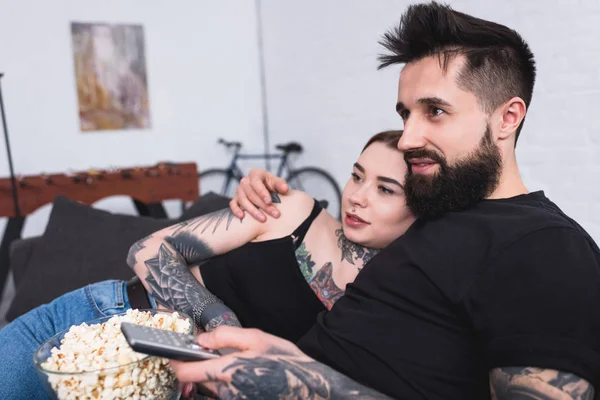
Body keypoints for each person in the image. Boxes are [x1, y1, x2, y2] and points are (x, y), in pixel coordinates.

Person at [168, 2, 600, 400]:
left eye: (435, 111)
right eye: (405, 114)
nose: (409, 139)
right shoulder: (435, 215)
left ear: (508, 118)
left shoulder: (545, 247)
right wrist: (279, 354)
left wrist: (308, 385)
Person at [0, 130, 415, 399]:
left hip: (169, 382)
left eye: (385, 189)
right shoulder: (294, 209)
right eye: (357, 176)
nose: (358, 196)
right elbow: (147, 251)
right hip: (102, 322)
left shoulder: (400, 296)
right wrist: (220, 323)